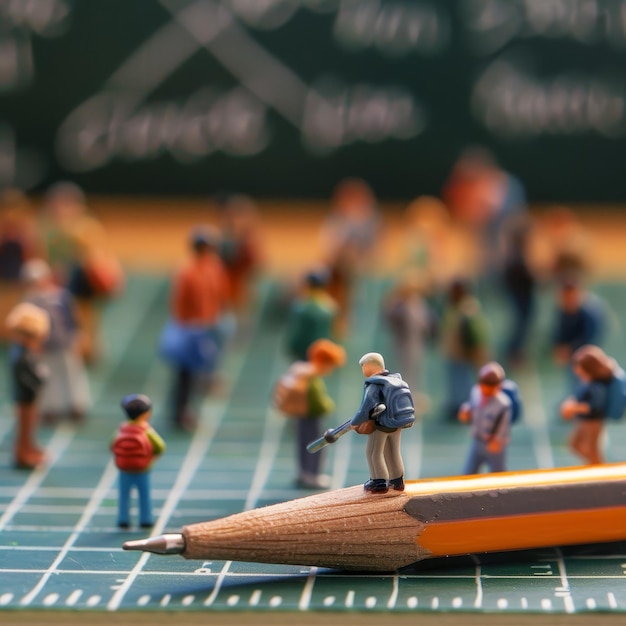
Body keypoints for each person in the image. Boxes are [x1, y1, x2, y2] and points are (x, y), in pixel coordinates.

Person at [165, 226, 231, 430]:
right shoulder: (187, 271)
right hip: (191, 327)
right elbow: (179, 302)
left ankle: (202, 388)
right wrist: (186, 325)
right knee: (185, 373)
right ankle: (180, 412)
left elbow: (221, 292)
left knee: (206, 362)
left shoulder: (213, 267)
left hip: (208, 323)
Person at [21, 258, 91, 423]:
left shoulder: (61, 295)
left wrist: (77, 334)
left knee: (72, 374)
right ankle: (50, 408)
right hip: (44, 346)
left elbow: (71, 316)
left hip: (65, 343)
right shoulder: (29, 299)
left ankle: (75, 404)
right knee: (46, 378)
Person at [274, 339, 347, 489]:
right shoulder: (311, 379)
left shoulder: (302, 372)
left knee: (304, 443)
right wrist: (328, 406)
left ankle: (304, 472)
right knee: (316, 444)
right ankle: (311, 474)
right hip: (311, 417)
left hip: (302, 416)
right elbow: (316, 402)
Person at [349, 352, 415, 494]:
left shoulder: (374, 384)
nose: (363, 370)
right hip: (398, 423)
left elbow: (365, 408)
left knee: (373, 452)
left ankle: (379, 481)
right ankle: (397, 480)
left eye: (363, 367)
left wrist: (355, 422)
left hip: (381, 425)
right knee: (393, 451)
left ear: (369, 366)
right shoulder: (396, 380)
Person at [5, 302, 50, 469]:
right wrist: (39, 379)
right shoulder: (21, 355)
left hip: (30, 398)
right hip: (25, 398)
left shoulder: (27, 351)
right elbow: (25, 377)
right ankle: (22, 453)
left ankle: (29, 448)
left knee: (30, 426)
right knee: (24, 428)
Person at [111, 394, 166, 529]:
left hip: (124, 469)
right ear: (146, 414)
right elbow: (160, 447)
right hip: (143, 469)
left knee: (124, 496)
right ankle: (145, 519)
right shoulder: (146, 430)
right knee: (144, 495)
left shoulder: (122, 429)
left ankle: (123, 519)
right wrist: (151, 459)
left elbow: (112, 445)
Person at [439, 278, 490, 419]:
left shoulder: (468, 310)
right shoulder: (453, 307)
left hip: (463, 354)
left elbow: (475, 334)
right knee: (455, 380)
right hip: (453, 353)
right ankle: (457, 405)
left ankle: (465, 407)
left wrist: (477, 351)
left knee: (464, 381)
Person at [560, 345, 618, 465]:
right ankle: (593, 465)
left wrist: (573, 407)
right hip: (584, 420)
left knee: (592, 449)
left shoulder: (597, 387)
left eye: (578, 366)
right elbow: (580, 396)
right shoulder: (586, 380)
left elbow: (593, 407)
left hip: (593, 422)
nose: (575, 369)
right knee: (575, 445)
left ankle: (599, 470)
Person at [458, 362, 512, 475]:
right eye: (485, 384)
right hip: (477, 441)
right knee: (469, 472)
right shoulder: (476, 392)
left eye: (492, 386)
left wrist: (498, 440)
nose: (487, 389)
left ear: (499, 386)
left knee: (498, 473)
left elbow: (503, 426)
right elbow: (471, 405)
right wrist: (466, 411)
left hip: (494, 444)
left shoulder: (503, 404)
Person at [552, 278, 605, 391]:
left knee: (589, 383)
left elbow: (591, 337)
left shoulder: (589, 312)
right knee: (573, 381)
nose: (567, 300)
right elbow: (559, 331)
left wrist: (570, 349)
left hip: (586, 354)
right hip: (572, 356)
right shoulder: (563, 309)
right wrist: (558, 346)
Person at [285, 269, 338, 362]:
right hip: (322, 353)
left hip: (304, 353)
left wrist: (293, 348)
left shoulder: (302, 306)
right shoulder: (330, 306)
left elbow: (298, 334)